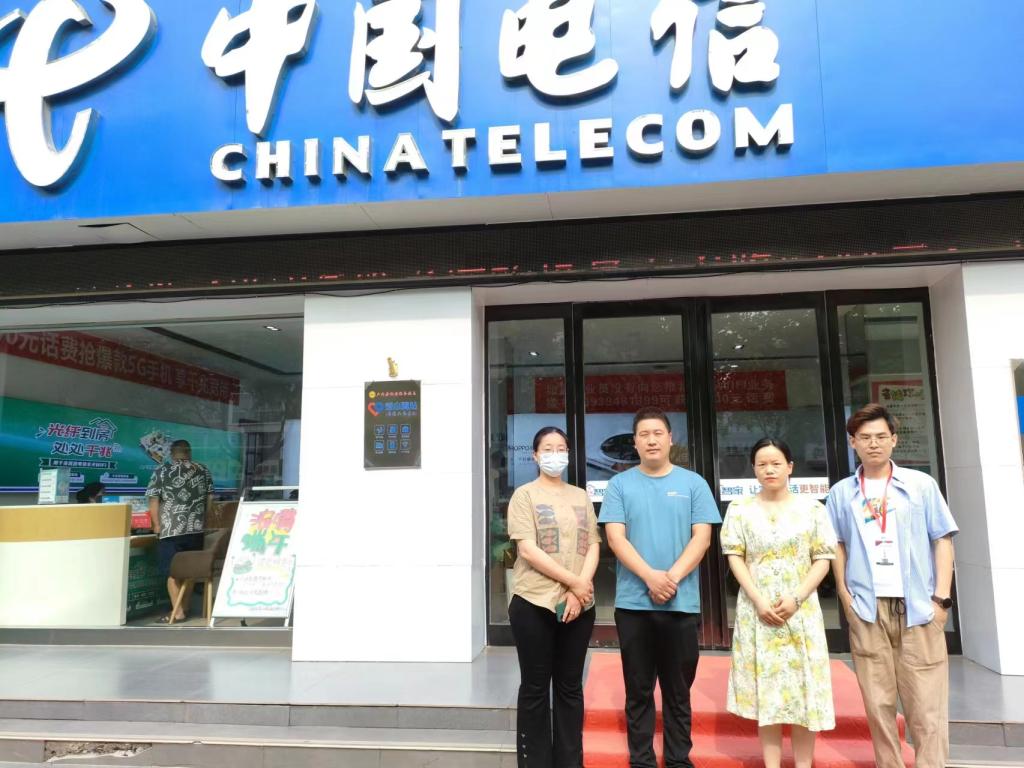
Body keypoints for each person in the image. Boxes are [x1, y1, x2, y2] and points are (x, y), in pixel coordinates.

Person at [826, 403, 958, 768]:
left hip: (918, 608)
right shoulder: (841, 493)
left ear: (894, 440)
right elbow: (835, 544)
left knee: (927, 708)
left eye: (881, 436)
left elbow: (942, 539)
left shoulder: (920, 485)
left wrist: (941, 600)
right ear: (852, 442)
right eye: (865, 437)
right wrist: (844, 595)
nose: (873, 444)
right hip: (867, 610)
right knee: (878, 705)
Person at [600, 407, 721, 768]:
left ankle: (679, 760)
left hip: (681, 604)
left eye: (657, 433)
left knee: (678, 691)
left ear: (670, 438)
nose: (651, 440)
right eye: (644, 434)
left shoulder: (694, 483)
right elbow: (615, 538)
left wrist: (671, 578)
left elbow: (702, 538)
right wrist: (650, 577)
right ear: (635, 443)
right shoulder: (619, 485)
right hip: (634, 605)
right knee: (638, 690)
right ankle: (641, 761)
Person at [721, 437, 837, 768]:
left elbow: (823, 558)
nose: (769, 470)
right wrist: (758, 599)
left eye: (776, 463)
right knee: (767, 693)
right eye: (762, 464)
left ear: (790, 467)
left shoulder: (813, 509)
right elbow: (735, 556)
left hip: (801, 611)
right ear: (754, 469)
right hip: (757, 612)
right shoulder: (740, 510)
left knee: (804, 691)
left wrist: (797, 597)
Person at [507, 426, 600, 768]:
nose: (555, 454)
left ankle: (569, 761)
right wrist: (575, 583)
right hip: (534, 602)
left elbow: (593, 543)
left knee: (570, 687)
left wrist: (579, 590)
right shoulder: (524, 496)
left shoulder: (580, 496)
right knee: (535, 687)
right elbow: (527, 550)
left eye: (561, 448)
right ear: (535, 455)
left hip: (579, 605)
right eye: (548, 448)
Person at [145, 439, 215, 623]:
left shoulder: (162, 470)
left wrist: (156, 525)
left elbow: (153, 500)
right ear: (189, 452)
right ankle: (185, 607)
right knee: (189, 571)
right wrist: (204, 520)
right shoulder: (203, 470)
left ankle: (177, 612)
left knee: (172, 573)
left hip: (170, 530)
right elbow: (209, 500)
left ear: (171, 453)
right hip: (195, 528)